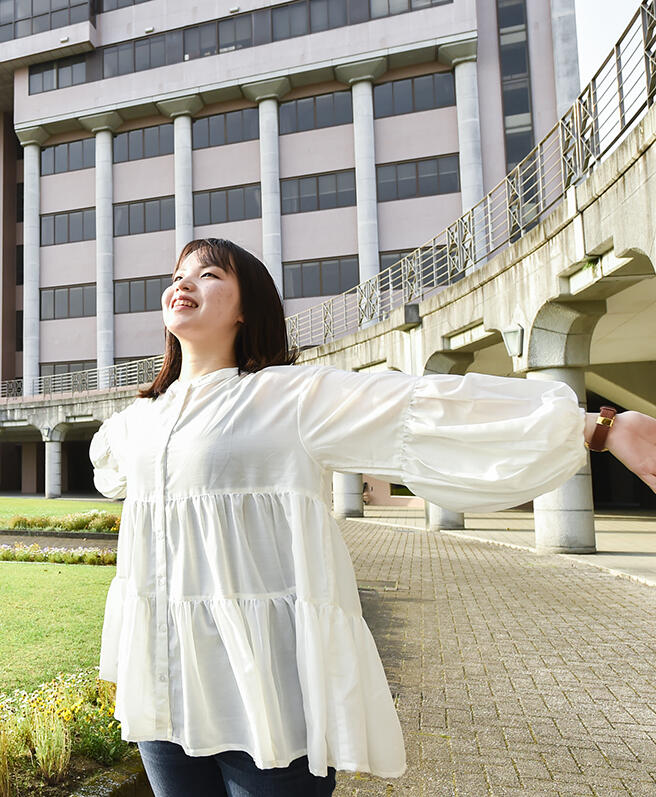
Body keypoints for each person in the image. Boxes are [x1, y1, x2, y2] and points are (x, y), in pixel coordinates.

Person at [88, 238, 656, 797]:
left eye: (209, 275)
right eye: (179, 274)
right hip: (162, 683)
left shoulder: (289, 397)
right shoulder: (138, 421)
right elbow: (109, 473)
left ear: (246, 310)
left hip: (266, 691)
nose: (183, 283)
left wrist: (598, 427)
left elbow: (423, 406)